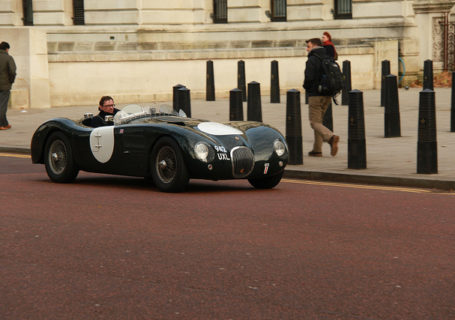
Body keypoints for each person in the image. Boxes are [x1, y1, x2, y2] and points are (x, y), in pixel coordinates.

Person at [303, 38, 339, 157]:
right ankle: (317, 150)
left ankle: (331, 137)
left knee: (314, 123)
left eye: (308, 46)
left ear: (314, 46)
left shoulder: (312, 59)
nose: (307, 49)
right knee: (319, 122)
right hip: (328, 94)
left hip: (315, 95)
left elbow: (308, 78)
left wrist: (307, 88)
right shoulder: (328, 57)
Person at [0, 41, 16, 130]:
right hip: (4, 85)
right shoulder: (8, 58)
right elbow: (12, 71)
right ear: (7, 49)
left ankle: (5, 123)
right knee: (2, 105)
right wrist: (11, 81)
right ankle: (1, 124)